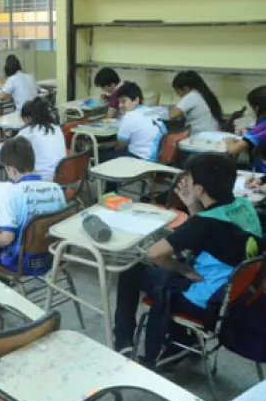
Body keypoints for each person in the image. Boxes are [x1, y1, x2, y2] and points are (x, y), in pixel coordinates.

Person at [113, 153, 263, 369]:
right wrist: (192, 204)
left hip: (204, 301)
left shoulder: (203, 224)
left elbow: (155, 254)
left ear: (200, 189)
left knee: (131, 272)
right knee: (171, 264)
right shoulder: (244, 205)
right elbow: (210, 233)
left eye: (190, 179)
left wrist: (184, 271)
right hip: (236, 295)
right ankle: (180, 340)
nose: (187, 182)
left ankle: (122, 343)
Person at [0, 138, 67, 274]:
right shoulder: (56, 189)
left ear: (11, 170)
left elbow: (6, 239)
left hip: (22, 263)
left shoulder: (12, 195)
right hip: (53, 256)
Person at [16, 97, 66, 181]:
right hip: (64, 175)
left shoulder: (28, 131)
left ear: (29, 118)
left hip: (43, 179)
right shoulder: (57, 128)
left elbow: (12, 149)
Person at [226, 85, 266, 170]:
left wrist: (229, 141)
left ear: (257, 108)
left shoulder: (263, 126)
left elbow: (232, 150)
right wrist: (247, 134)